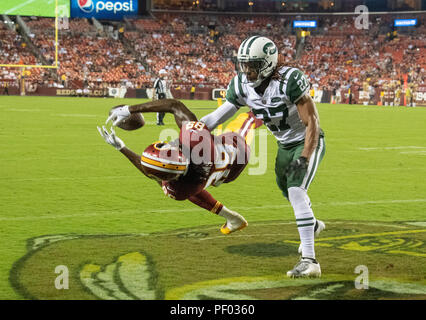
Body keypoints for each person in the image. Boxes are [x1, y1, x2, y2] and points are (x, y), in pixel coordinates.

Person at [199, 36, 326, 278]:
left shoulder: (289, 81)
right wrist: (192, 132)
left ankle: (310, 261)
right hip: (284, 145)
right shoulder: (241, 85)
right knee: (287, 191)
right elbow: (215, 118)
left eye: (252, 65)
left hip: (307, 140)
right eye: (243, 64)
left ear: (267, 64)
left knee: (297, 191)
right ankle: (313, 225)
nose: (246, 70)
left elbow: (313, 122)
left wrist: (306, 156)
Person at [99, 98, 263, 235]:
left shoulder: (178, 188)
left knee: (188, 192)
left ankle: (232, 218)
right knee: (246, 119)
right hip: (236, 152)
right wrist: (129, 109)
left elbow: (154, 174)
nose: (167, 144)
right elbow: (174, 106)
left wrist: (121, 148)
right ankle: (272, 107)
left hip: (219, 177)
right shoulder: (196, 143)